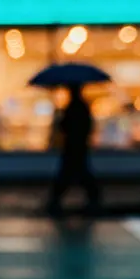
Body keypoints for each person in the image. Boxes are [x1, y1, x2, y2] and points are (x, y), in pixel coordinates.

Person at [47, 84, 100, 215]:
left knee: (68, 174)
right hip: (79, 145)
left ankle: (55, 201)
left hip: (72, 146)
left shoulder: (73, 107)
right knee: (81, 174)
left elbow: (65, 127)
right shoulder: (82, 107)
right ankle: (94, 200)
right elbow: (88, 126)